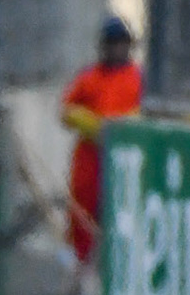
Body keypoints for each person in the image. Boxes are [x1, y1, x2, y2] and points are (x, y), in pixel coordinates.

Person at [61, 17, 145, 266]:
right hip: (92, 154)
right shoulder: (90, 78)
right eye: (112, 44)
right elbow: (67, 110)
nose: (117, 50)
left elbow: (144, 111)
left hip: (125, 155)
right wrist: (92, 125)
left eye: (122, 44)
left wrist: (125, 126)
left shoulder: (137, 78)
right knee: (84, 207)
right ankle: (81, 262)